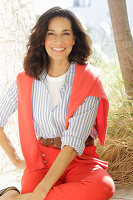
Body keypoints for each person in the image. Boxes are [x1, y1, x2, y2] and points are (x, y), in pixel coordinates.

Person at [0, 7, 115, 200]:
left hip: (80, 160)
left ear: (74, 39)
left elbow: (71, 144)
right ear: (42, 39)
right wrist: (16, 159)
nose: (58, 41)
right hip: (41, 161)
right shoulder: (26, 79)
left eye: (65, 34)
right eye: (51, 34)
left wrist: (39, 193)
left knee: (103, 187)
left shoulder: (89, 80)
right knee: (36, 189)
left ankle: (15, 197)